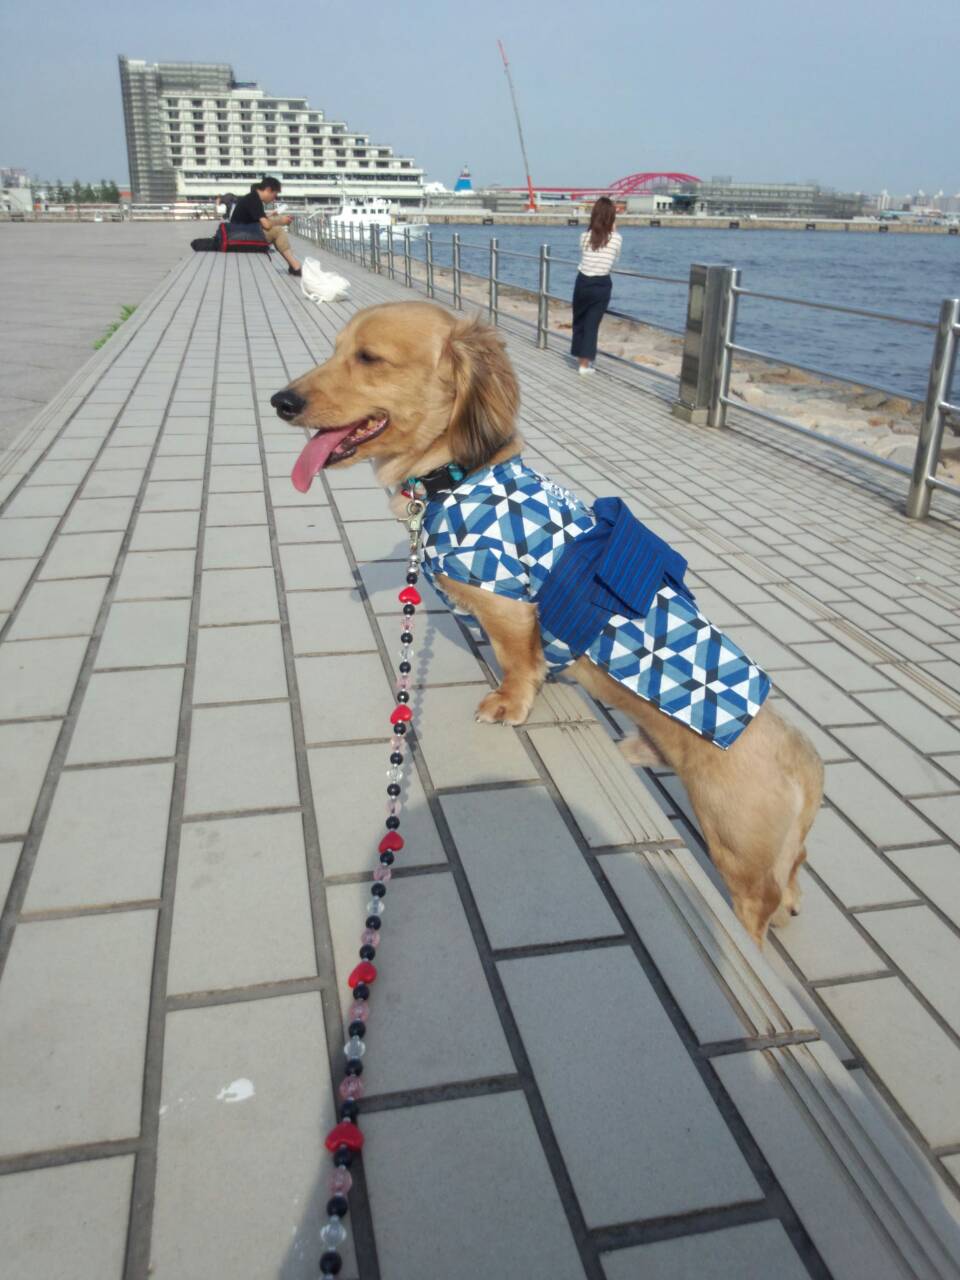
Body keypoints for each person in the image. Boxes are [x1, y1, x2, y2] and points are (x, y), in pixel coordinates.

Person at [571, 196, 622, 375]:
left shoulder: (584, 237)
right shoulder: (616, 239)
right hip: (601, 284)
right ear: (611, 217)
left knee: (579, 320)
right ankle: (584, 365)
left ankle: (580, 358)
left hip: (583, 281)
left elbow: (585, 253)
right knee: (592, 325)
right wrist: (613, 229)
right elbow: (615, 259)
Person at [231, 177, 302, 276]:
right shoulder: (254, 200)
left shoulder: (253, 197)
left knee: (275, 227)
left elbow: (261, 220)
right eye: (275, 195)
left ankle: (293, 266)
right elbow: (267, 225)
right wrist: (281, 221)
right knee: (277, 231)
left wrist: (275, 218)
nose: (274, 199)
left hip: (239, 233)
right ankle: (296, 267)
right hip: (240, 237)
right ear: (268, 190)